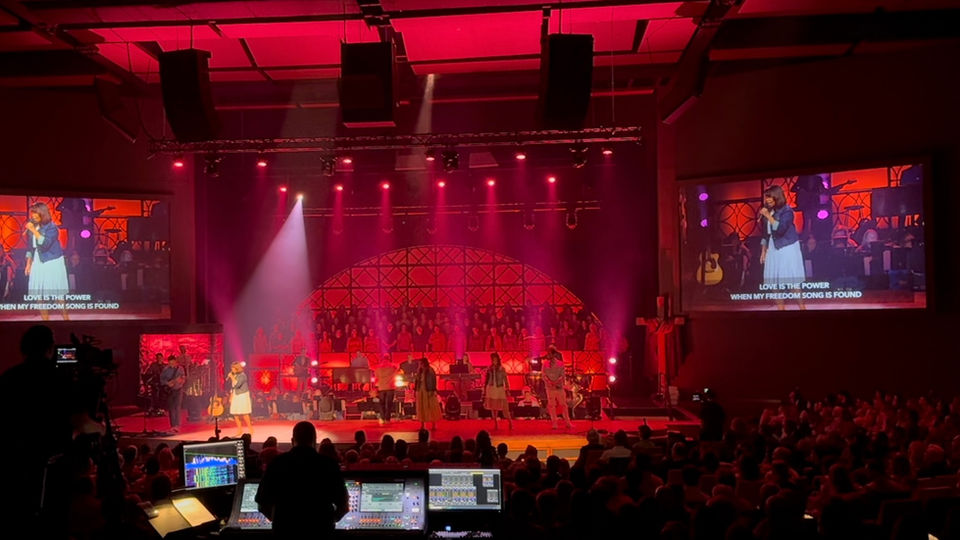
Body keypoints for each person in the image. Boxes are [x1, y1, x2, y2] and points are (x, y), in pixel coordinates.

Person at [256, 421, 348, 539]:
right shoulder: (329, 465)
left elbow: (262, 504)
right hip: (321, 533)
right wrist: (327, 521)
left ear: (292, 441)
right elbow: (343, 506)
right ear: (315, 441)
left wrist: (280, 521)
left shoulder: (277, 463)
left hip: (284, 533)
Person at [759, 185, 806, 310]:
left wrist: (768, 217)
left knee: (791, 281)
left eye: (769, 197)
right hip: (773, 248)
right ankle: (781, 310)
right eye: (766, 197)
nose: (767, 200)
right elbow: (765, 234)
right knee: (774, 282)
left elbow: (780, 229)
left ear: (777, 197)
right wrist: (763, 251)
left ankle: (802, 308)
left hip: (787, 247)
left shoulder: (787, 211)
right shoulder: (768, 211)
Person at [23, 202, 69, 321]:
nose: (32, 216)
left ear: (42, 214)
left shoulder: (52, 227)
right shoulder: (33, 226)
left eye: (35, 214)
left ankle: (66, 320)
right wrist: (28, 264)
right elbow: (30, 248)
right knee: (38, 293)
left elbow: (45, 243)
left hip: (52, 261)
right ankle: (46, 321)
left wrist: (33, 230)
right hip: (38, 261)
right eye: (32, 214)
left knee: (57, 293)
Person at [542, 346, 573, 430]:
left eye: (549, 353)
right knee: (552, 405)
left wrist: (556, 382)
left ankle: (567, 421)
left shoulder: (560, 363)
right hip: (549, 387)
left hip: (559, 387)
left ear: (554, 354)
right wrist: (549, 382)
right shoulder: (545, 364)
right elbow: (543, 375)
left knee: (563, 404)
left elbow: (562, 376)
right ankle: (554, 422)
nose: (548, 355)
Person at [483, 352, 512, 430]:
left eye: (495, 359)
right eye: (492, 359)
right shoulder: (489, 369)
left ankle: (510, 422)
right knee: (493, 408)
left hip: (499, 389)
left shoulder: (502, 369)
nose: (494, 361)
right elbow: (486, 380)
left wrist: (508, 389)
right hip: (491, 388)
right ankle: (495, 423)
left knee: (504, 407)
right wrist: (484, 390)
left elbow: (505, 380)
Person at [159, 354, 185, 432]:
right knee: (171, 408)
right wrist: (167, 383)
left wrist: (181, 381)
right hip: (170, 391)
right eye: (170, 363)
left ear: (176, 362)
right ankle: (173, 425)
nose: (172, 365)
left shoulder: (180, 369)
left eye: (173, 363)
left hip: (178, 389)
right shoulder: (165, 370)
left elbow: (183, 377)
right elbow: (161, 380)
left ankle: (178, 425)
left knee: (177, 407)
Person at [414, 357, 440, 431]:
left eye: (421, 363)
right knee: (421, 407)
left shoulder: (430, 370)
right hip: (420, 390)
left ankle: (433, 425)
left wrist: (433, 390)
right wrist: (415, 390)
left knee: (430, 406)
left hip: (428, 390)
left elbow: (433, 381)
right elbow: (417, 381)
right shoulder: (419, 371)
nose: (420, 365)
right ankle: (422, 425)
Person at [228, 362, 253, 436]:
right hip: (236, 395)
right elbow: (233, 387)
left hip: (242, 395)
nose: (231, 369)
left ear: (237, 368)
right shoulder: (235, 375)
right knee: (235, 413)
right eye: (231, 368)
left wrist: (232, 377)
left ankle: (250, 429)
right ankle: (240, 429)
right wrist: (231, 396)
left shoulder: (243, 376)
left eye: (233, 368)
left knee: (244, 413)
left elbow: (237, 385)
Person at [374, 354, 398, 424]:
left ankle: (382, 418)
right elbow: (397, 369)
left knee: (382, 404)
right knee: (389, 404)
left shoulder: (378, 368)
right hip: (390, 387)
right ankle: (387, 419)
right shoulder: (392, 367)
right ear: (389, 358)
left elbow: (376, 378)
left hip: (381, 388)